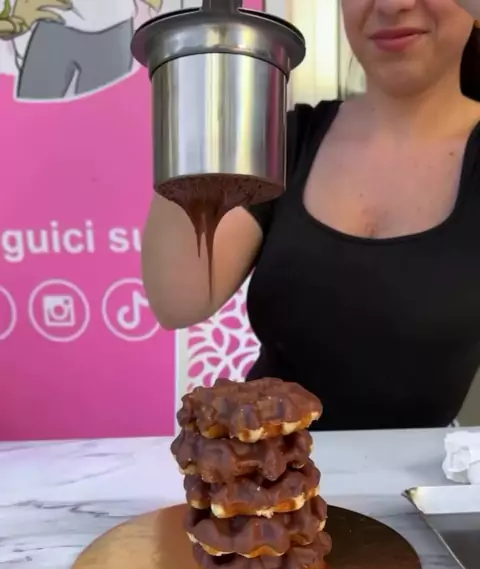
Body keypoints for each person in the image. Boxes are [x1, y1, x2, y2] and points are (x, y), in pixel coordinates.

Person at [142, 0, 480, 431]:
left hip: (420, 471)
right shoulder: (280, 142)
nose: (393, 4)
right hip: (265, 463)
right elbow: (178, 300)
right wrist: (198, 78)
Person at [1, 0, 162, 99]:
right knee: (34, 111)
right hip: (53, 25)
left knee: (105, 117)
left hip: (112, 30)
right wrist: (15, 22)